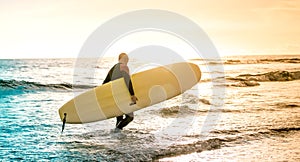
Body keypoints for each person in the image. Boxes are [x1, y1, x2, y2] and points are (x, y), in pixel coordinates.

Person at [102, 53, 138, 130]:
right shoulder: (124, 67)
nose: (127, 60)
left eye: (127, 59)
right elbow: (128, 81)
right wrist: (132, 94)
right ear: (120, 59)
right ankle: (117, 130)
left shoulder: (113, 68)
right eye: (125, 58)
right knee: (130, 117)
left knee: (119, 118)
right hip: (122, 97)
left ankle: (117, 136)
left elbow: (105, 83)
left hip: (115, 97)